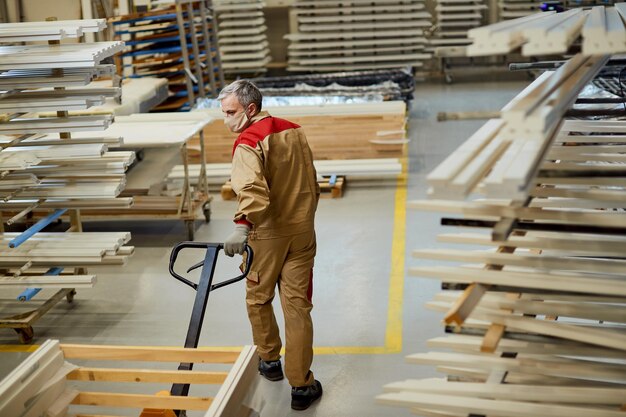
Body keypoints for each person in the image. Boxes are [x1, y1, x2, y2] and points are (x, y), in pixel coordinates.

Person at [219, 80, 322, 411]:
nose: (226, 119)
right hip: (303, 230)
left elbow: (252, 190)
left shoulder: (248, 142)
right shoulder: (295, 130)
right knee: (297, 306)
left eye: (230, 112)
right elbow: (309, 179)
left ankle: (269, 360)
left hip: (267, 234)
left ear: (250, 109)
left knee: (259, 297)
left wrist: (241, 226)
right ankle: (302, 385)